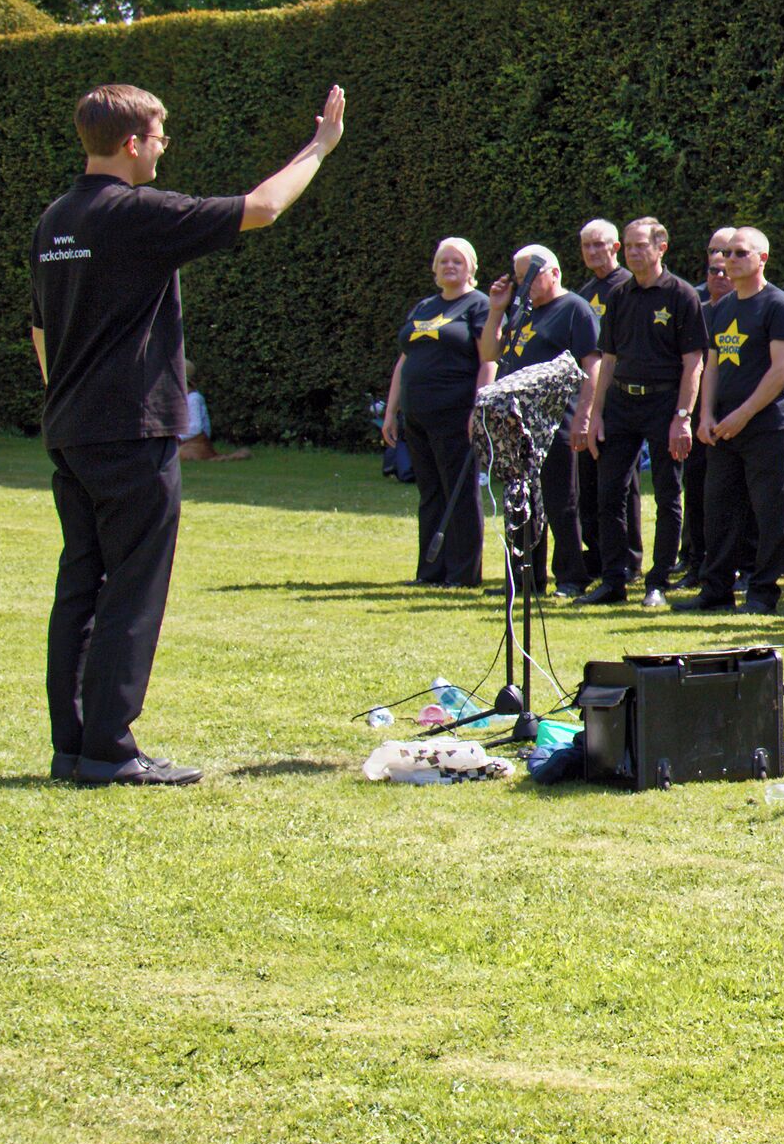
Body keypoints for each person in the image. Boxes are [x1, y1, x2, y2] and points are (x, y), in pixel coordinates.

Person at [27, 78, 343, 785]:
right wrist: (320, 146)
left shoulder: (55, 220)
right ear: (133, 141)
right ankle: (110, 748)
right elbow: (261, 208)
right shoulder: (134, 213)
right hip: (130, 431)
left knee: (81, 584)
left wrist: (68, 400)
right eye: (161, 130)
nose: (167, 142)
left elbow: (40, 329)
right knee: (132, 588)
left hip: (71, 429)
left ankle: (73, 745)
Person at [586, 220, 700, 608]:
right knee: (609, 494)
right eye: (629, 247)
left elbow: (694, 363)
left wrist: (683, 416)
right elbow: (608, 359)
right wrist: (596, 413)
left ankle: (658, 581)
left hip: (663, 403)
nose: (633, 253)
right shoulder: (619, 296)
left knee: (668, 494)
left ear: (661, 247)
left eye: (640, 246)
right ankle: (614, 579)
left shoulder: (682, 295)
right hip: (620, 403)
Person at [689, 228, 784, 613]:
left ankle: (763, 592)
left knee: (770, 511)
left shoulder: (779, 305)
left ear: (762, 258)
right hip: (724, 427)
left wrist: (743, 414)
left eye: (740, 252)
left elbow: (782, 370)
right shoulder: (721, 308)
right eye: (725, 253)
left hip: (768, 423)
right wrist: (705, 415)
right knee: (718, 509)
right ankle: (716, 590)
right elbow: (712, 366)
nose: (730, 259)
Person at [483, 244, 603, 598]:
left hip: (556, 420)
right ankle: (523, 578)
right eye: (519, 279)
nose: (524, 286)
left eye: (529, 277)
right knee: (519, 500)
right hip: (519, 425)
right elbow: (490, 353)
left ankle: (570, 576)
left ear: (553, 272)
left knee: (559, 500)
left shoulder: (574, 310)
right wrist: (496, 311)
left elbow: (592, 365)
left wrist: (584, 416)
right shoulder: (522, 314)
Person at [386, 238, 493, 586]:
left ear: (471, 269)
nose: (450, 266)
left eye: (457, 262)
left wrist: (479, 410)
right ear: (435, 269)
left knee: (459, 494)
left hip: (455, 413)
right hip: (416, 415)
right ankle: (430, 571)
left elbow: (487, 360)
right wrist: (391, 411)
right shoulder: (423, 307)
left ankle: (463, 574)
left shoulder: (478, 306)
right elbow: (405, 360)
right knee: (430, 492)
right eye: (444, 261)